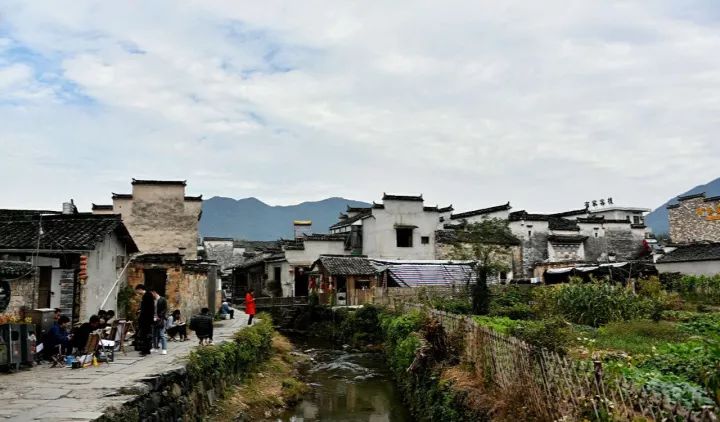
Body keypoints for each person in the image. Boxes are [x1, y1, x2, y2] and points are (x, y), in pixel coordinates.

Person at [135, 284, 154, 356]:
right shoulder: (148, 295)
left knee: (144, 335)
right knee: (147, 335)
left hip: (146, 320)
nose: (137, 293)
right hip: (147, 319)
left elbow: (147, 309)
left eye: (137, 291)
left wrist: (141, 312)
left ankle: (144, 350)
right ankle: (147, 349)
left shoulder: (147, 295)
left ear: (140, 289)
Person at [151, 288, 168, 355]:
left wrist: (160, 316)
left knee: (161, 335)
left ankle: (164, 349)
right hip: (153, 319)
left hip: (160, 319)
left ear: (154, 292)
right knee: (154, 335)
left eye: (151, 293)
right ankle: (155, 348)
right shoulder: (152, 300)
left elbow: (165, 309)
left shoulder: (162, 299)